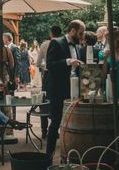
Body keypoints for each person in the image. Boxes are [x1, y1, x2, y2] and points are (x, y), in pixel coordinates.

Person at [45, 20, 85, 157]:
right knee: (55, 122)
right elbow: (50, 65)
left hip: (73, 89)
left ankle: (68, 155)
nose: (82, 36)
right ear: (72, 30)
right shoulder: (56, 42)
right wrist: (68, 61)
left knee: (71, 123)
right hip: (58, 89)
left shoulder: (78, 46)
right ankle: (48, 155)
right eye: (80, 33)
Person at [36, 25, 62, 138]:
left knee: (45, 101)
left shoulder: (45, 44)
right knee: (57, 102)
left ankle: (44, 131)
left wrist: (44, 65)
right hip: (60, 76)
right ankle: (54, 130)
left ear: (51, 33)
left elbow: (38, 63)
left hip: (47, 75)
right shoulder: (63, 43)